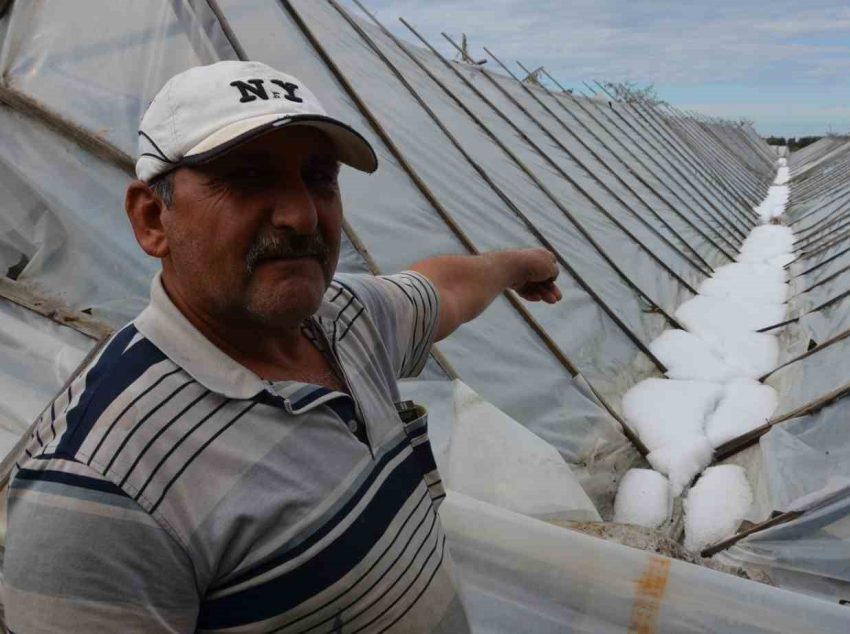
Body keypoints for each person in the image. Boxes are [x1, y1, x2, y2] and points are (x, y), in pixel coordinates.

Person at [2, 60, 562, 633]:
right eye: (247, 177)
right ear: (152, 219)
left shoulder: (347, 320)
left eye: (319, 177)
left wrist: (519, 266)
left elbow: (443, 287)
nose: (300, 216)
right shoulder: (102, 488)